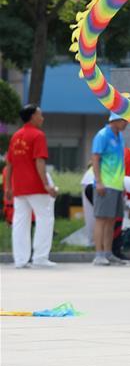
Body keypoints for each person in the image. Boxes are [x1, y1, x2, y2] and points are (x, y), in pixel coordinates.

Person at [7, 104, 57, 268]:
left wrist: (8, 187)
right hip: (36, 186)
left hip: (19, 187)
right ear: (32, 117)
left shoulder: (16, 136)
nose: (42, 118)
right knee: (45, 219)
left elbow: (10, 164)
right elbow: (39, 161)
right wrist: (46, 185)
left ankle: (20, 260)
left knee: (20, 222)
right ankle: (40, 258)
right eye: (40, 115)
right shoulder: (38, 135)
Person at [91, 113, 129, 266]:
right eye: (124, 120)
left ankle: (108, 252)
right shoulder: (102, 135)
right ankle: (98, 254)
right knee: (101, 219)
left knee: (111, 220)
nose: (126, 124)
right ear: (115, 120)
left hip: (116, 185)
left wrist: (122, 183)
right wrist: (99, 182)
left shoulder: (119, 137)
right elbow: (95, 158)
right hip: (105, 184)